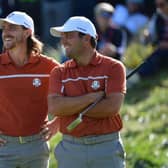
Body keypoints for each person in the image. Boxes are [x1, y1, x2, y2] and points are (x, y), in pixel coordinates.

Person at [48, 16, 126, 168]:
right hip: (71, 148)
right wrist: (90, 98)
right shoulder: (58, 72)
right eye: (62, 37)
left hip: (106, 147)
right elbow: (55, 107)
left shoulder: (114, 67)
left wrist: (69, 107)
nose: (63, 42)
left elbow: (111, 108)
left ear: (87, 38)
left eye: (69, 36)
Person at [0, 11, 60, 168]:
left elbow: (73, 91)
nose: (6, 32)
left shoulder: (49, 66)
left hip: (37, 147)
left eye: (12, 28)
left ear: (27, 32)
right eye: (4, 28)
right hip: (3, 147)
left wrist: (59, 122)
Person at [138, 0, 168, 77]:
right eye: (157, 5)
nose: (158, 8)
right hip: (161, 52)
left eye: (161, 5)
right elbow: (148, 35)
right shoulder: (157, 17)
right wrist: (146, 36)